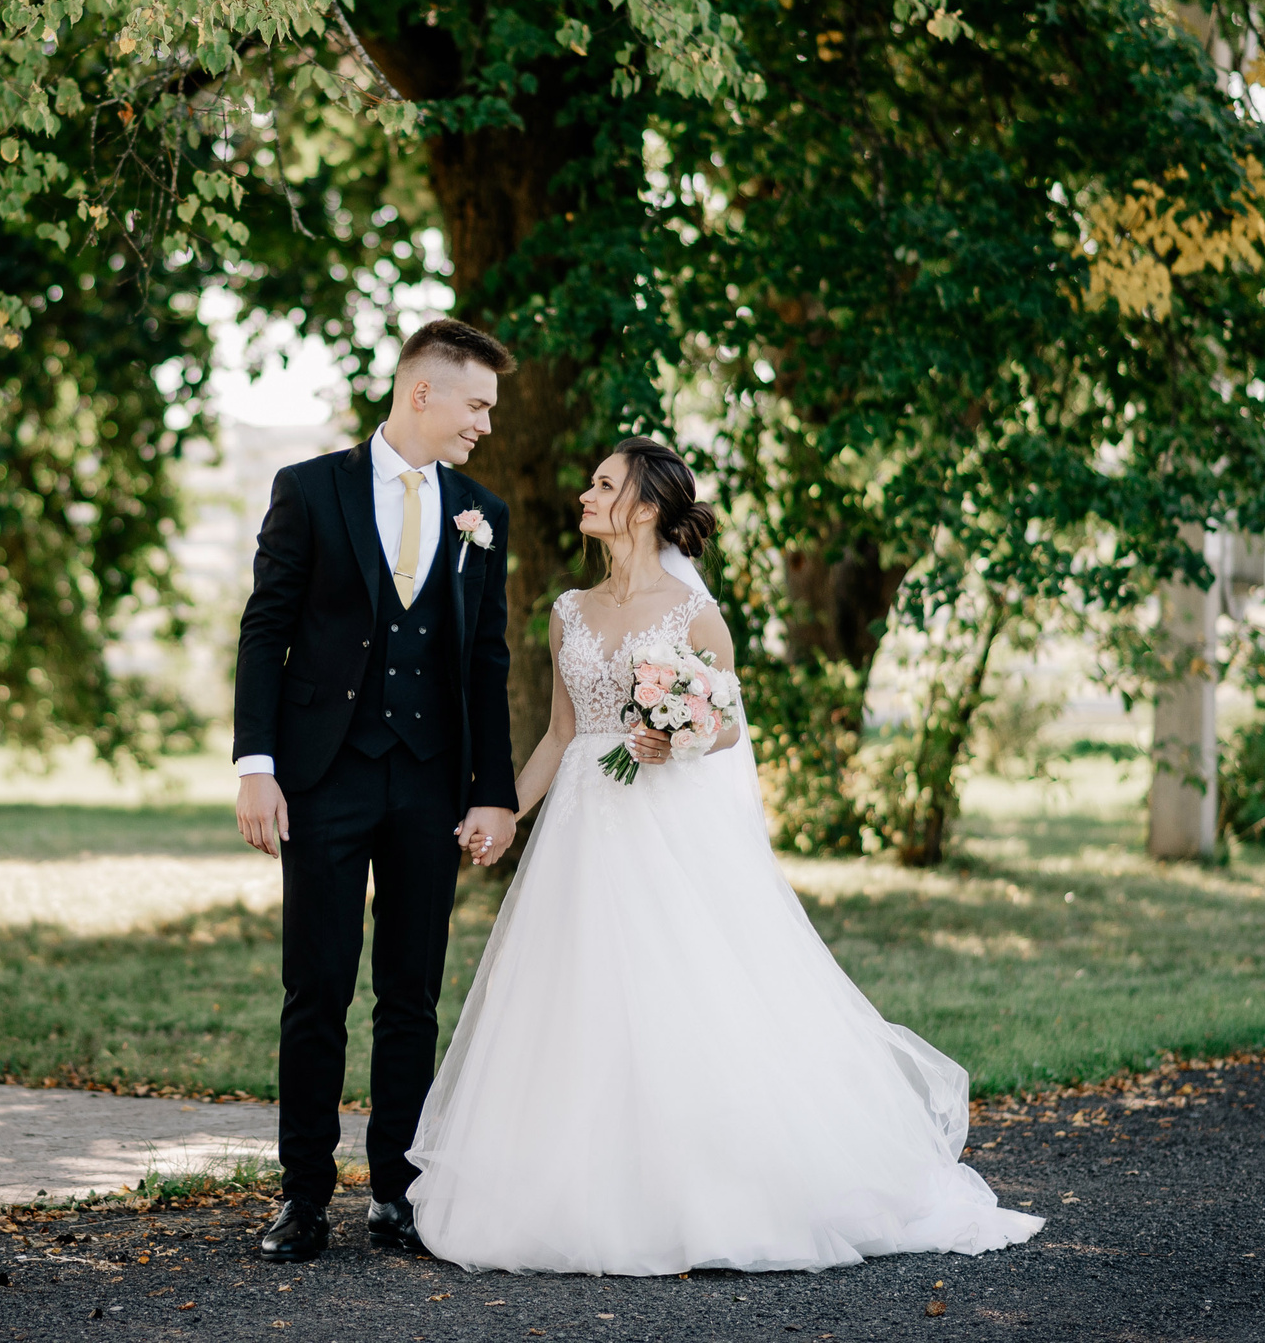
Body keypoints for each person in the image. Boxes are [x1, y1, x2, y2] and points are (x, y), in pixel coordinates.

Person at [404, 436, 1046, 1275]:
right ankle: (585, 1186)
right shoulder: (568, 609)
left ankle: (708, 1188)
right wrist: (505, 815)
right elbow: (563, 734)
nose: (586, 496)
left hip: (665, 827)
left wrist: (680, 738)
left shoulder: (691, 611)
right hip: (581, 834)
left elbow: (730, 721)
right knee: (579, 997)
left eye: (603, 485)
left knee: (681, 990)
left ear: (642, 507)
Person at [230, 318, 519, 1264]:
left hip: (431, 783)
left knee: (411, 993)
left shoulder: (483, 511)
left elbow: (485, 657)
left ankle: (397, 1192)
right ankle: (303, 1196)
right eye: (475, 403)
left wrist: (492, 791)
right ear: (422, 393)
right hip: (321, 776)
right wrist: (257, 767)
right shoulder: (310, 489)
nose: (484, 423)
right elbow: (265, 627)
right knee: (314, 987)